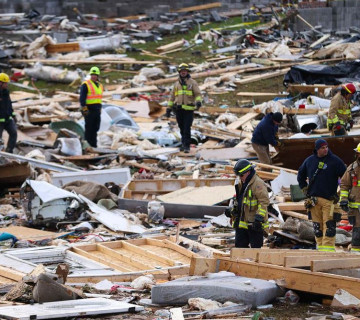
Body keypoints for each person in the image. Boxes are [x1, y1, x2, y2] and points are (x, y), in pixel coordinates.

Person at [297, 139, 346, 252]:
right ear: (317, 149)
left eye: (326, 147)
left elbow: (345, 178)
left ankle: (328, 252)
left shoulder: (335, 161)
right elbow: (300, 175)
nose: (325, 149)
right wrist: (304, 188)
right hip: (314, 202)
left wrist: (339, 193)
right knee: (317, 228)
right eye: (323, 148)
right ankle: (320, 251)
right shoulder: (309, 161)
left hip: (329, 201)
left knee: (329, 227)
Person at [225, 159, 270, 248]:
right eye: (238, 175)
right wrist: (232, 211)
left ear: (248, 172)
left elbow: (264, 202)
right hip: (242, 222)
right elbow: (240, 200)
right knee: (240, 249)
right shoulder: (241, 182)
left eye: (241, 175)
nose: (239, 177)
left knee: (255, 251)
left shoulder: (258, 184)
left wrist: (259, 218)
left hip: (254, 224)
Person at [168, 63, 202, 153]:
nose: (183, 72)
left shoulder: (192, 83)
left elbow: (197, 94)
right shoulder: (176, 84)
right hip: (178, 110)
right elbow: (172, 97)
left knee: (187, 128)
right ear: (179, 72)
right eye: (182, 71)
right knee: (182, 128)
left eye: (185, 71)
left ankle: (187, 146)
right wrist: (169, 107)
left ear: (187, 72)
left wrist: (198, 102)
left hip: (188, 110)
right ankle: (183, 144)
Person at [339, 143, 360, 253]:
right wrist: (343, 199)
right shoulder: (352, 169)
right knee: (357, 234)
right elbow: (344, 185)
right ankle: (356, 258)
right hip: (356, 209)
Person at [79, 66, 103, 148]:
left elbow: (99, 98)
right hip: (89, 109)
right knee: (89, 128)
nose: (93, 76)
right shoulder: (86, 84)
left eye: (95, 75)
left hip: (97, 110)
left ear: (98, 76)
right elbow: (82, 98)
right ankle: (87, 146)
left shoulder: (100, 85)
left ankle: (94, 145)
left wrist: (100, 108)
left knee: (96, 128)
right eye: (92, 74)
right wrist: (84, 109)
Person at [0, 73, 17, 153]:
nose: (7, 84)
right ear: (0, 83)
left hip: (7, 119)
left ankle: (9, 151)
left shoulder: (6, 92)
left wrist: (13, 115)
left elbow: (9, 104)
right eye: (6, 83)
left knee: (13, 133)